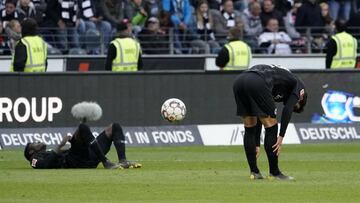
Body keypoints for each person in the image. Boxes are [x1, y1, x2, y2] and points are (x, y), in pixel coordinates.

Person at [233, 64, 307, 180]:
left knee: (250, 125)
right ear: (301, 98)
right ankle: (275, 172)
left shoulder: (279, 83)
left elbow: (258, 114)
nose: (292, 105)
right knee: (271, 125)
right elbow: (287, 109)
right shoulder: (299, 87)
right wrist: (281, 136)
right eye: (295, 106)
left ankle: (255, 172)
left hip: (240, 80)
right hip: (257, 81)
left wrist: (256, 143)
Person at [24, 101, 142, 169]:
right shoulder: (34, 159)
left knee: (114, 127)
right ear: (31, 152)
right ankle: (105, 162)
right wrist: (59, 146)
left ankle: (123, 161)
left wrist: (73, 142)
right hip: (75, 162)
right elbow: (43, 165)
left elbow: (65, 151)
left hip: (86, 156)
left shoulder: (48, 151)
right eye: (34, 143)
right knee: (82, 128)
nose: (38, 142)